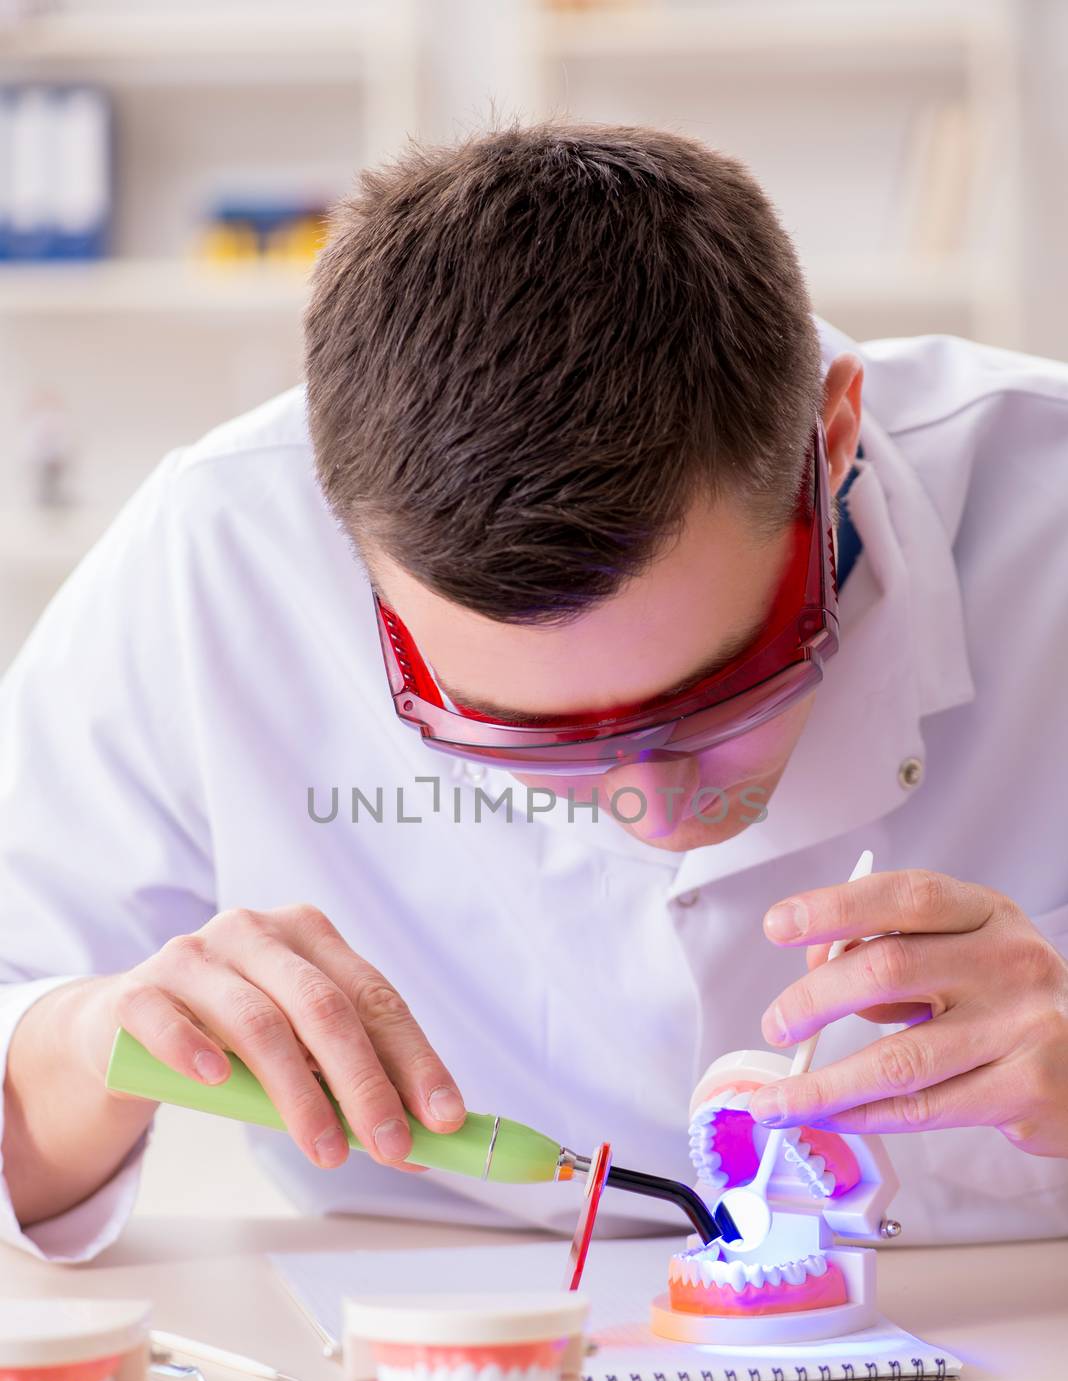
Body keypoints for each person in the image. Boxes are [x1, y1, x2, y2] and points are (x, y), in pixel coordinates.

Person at [1, 124, 1066, 1265]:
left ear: (832, 437)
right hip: (439, 1345)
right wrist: (83, 1043)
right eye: (522, 735)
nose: (646, 809)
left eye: (717, 696)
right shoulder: (217, 553)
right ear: (356, 555)